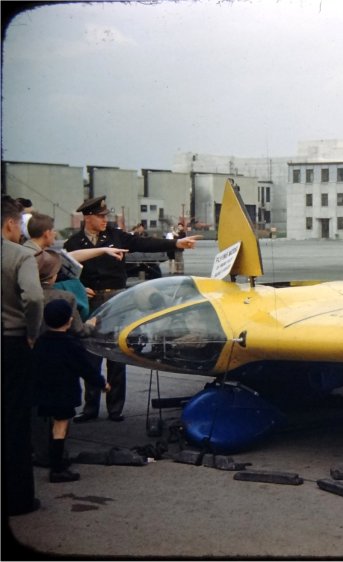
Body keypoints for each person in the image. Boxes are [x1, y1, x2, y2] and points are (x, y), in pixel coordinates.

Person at [63, 195, 199, 423]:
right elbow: (66, 272)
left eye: (105, 216)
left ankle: (115, 408)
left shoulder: (115, 236)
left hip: (116, 300)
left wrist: (175, 244)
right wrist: (80, 287)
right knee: (90, 355)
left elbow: (143, 243)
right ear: (88, 217)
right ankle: (90, 408)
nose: (105, 220)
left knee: (117, 354)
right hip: (91, 302)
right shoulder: (74, 243)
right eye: (100, 216)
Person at [32, 299, 109, 483]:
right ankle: (57, 468)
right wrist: (102, 384)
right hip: (64, 392)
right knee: (60, 428)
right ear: (69, 320)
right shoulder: (71, 344)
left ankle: (53, 459)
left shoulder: (41, 342)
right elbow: (86, 369)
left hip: (44, 391)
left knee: (52, 425)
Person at [1, 195, 44, 516]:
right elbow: (33, 298)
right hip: (12, 343)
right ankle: (18, 498)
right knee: (15, 421)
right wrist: (32, 332)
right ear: (10, 224)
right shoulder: (19, 255)